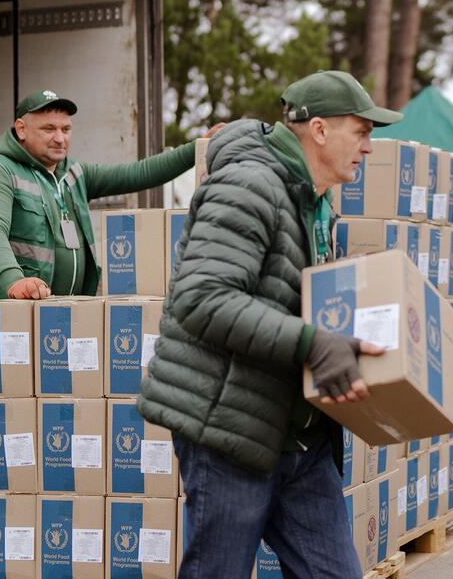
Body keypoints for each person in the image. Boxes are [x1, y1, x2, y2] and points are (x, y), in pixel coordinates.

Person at [136, 71, 401, 578]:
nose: (368, 148)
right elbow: (201, 298)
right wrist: (313, 343)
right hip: (230, 432)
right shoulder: (248, 185)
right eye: (361, 132)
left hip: (300, 440)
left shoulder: (316, 203)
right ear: (319, 130)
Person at [0, 89, 212, 305]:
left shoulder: (74, 173)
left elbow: (138, 173)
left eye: (66, 129)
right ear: (21, 129)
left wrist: (198, 148)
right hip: (5, 312)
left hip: (59, 312)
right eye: (49, 129)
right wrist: (13, 280)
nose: (60, 138)